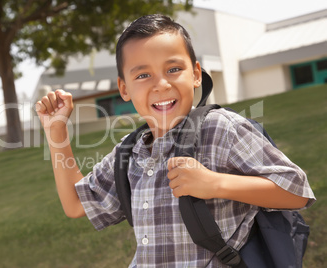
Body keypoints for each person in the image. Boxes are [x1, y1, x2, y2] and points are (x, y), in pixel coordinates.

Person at [35, 14, 315, 267]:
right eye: (143, 75)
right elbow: (76, 205)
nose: (161, 84)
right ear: (124, 88)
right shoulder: (128, 152)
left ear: (195, 74)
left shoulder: (220, 129)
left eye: (173, 69)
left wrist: (216, 183)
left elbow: (297, 191)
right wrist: (56, 132)